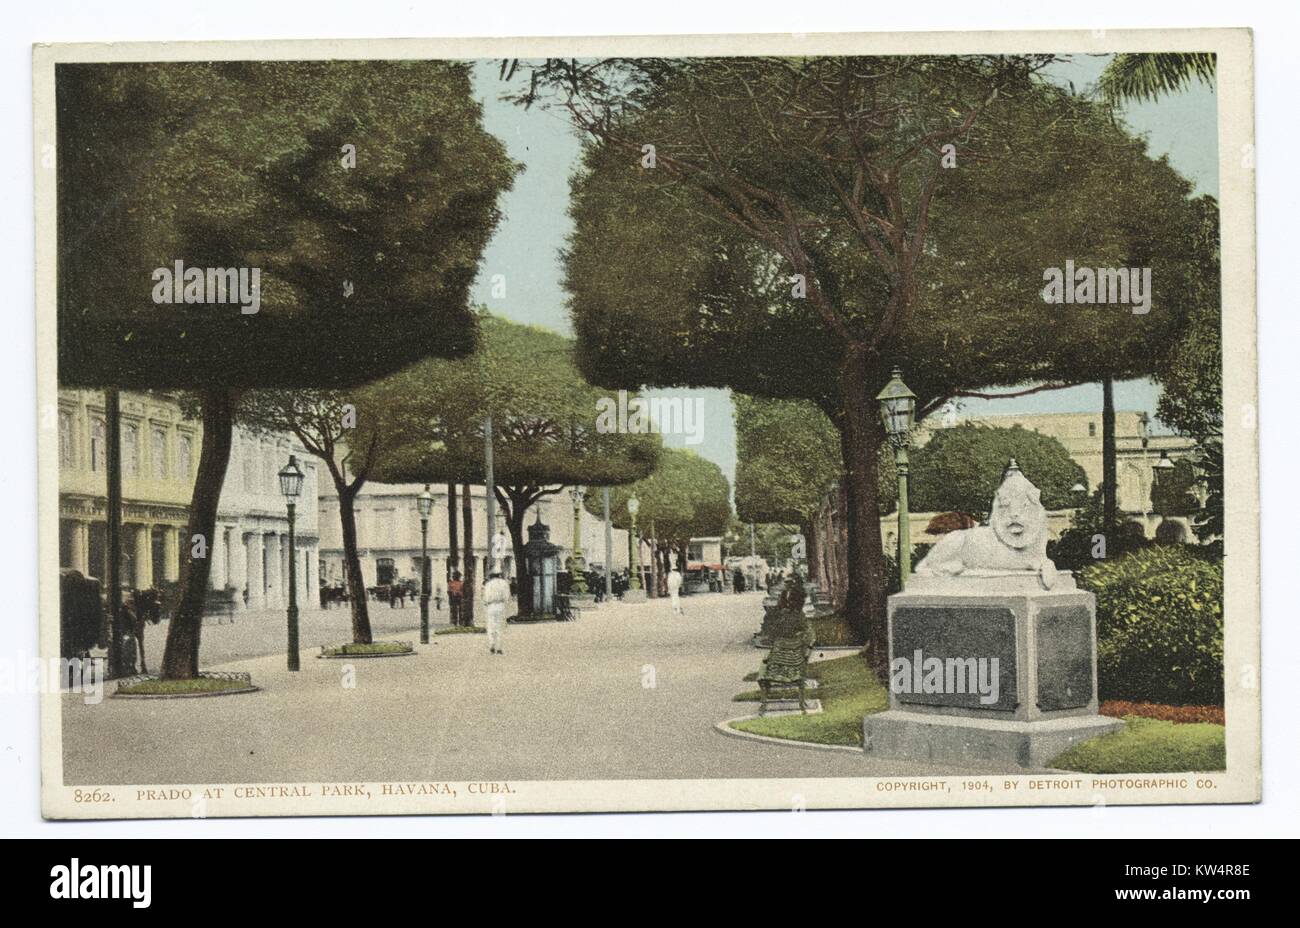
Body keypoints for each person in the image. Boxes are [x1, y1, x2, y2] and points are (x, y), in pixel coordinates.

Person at [483, 568, 510, 655]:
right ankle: (499, 647)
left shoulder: (488, 584)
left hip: (491, 606)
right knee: (500, 627)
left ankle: (492, 645)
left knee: (491, 626)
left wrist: (486, 603)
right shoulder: (504, 584)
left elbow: (486, 597)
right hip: (500, 605)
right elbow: (507, 597)